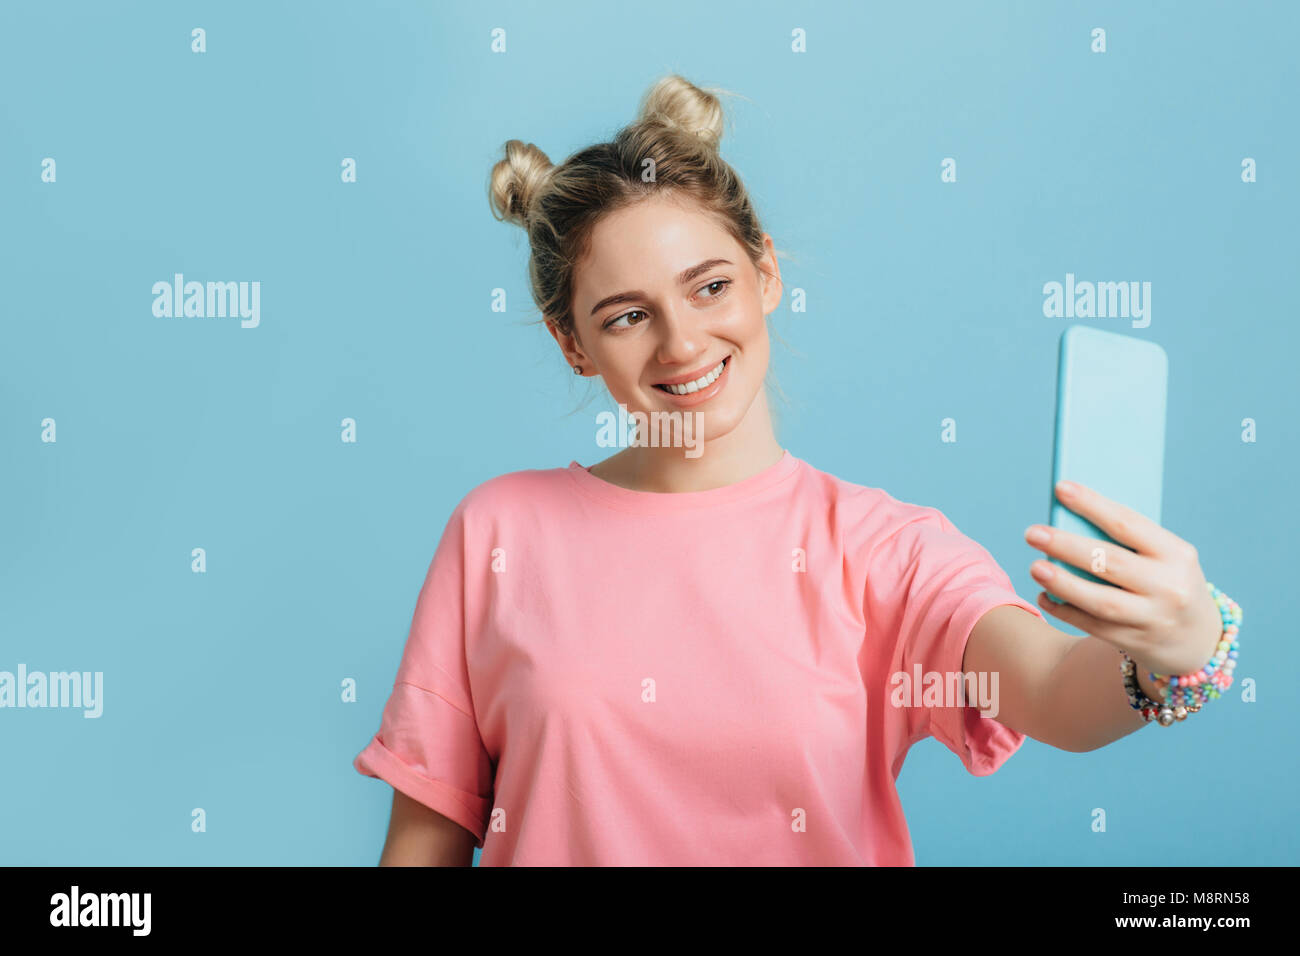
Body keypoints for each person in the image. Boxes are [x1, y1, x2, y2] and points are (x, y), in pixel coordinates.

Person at [353, 74, 1239, 866]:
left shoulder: (886, 552)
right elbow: (426, 839)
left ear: (765, 271)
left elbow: (1052, 691)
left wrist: (1177, 649)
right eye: (627, 316)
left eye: (709, 287)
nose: (683, 342)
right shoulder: (500, 534)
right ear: (572, 344)